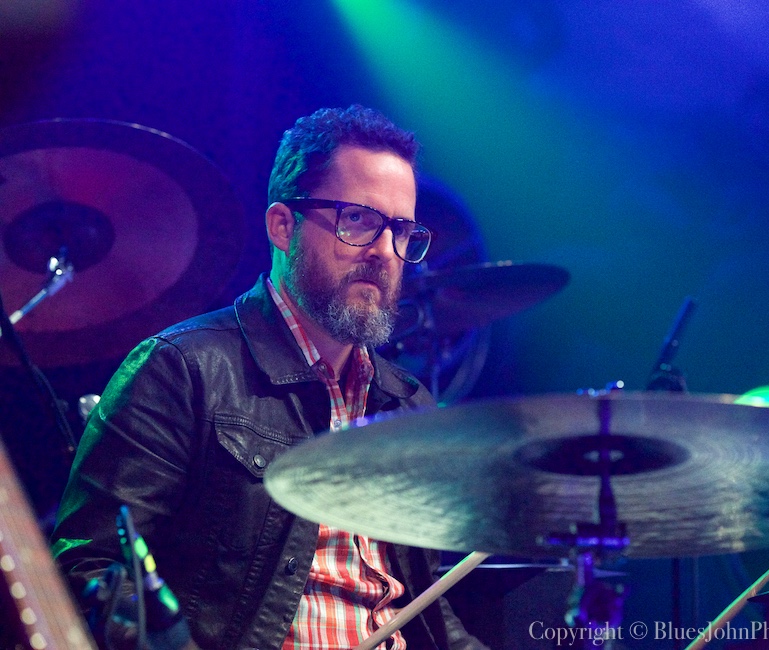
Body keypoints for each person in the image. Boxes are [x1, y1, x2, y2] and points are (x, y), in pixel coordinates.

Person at [51, 105, 489, 650]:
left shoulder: (407, 404)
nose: (384, 251)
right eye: (359, 220)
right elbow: (92, 575)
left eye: (402, 230)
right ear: (283, 226)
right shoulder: (181, 369)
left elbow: (422, 603)